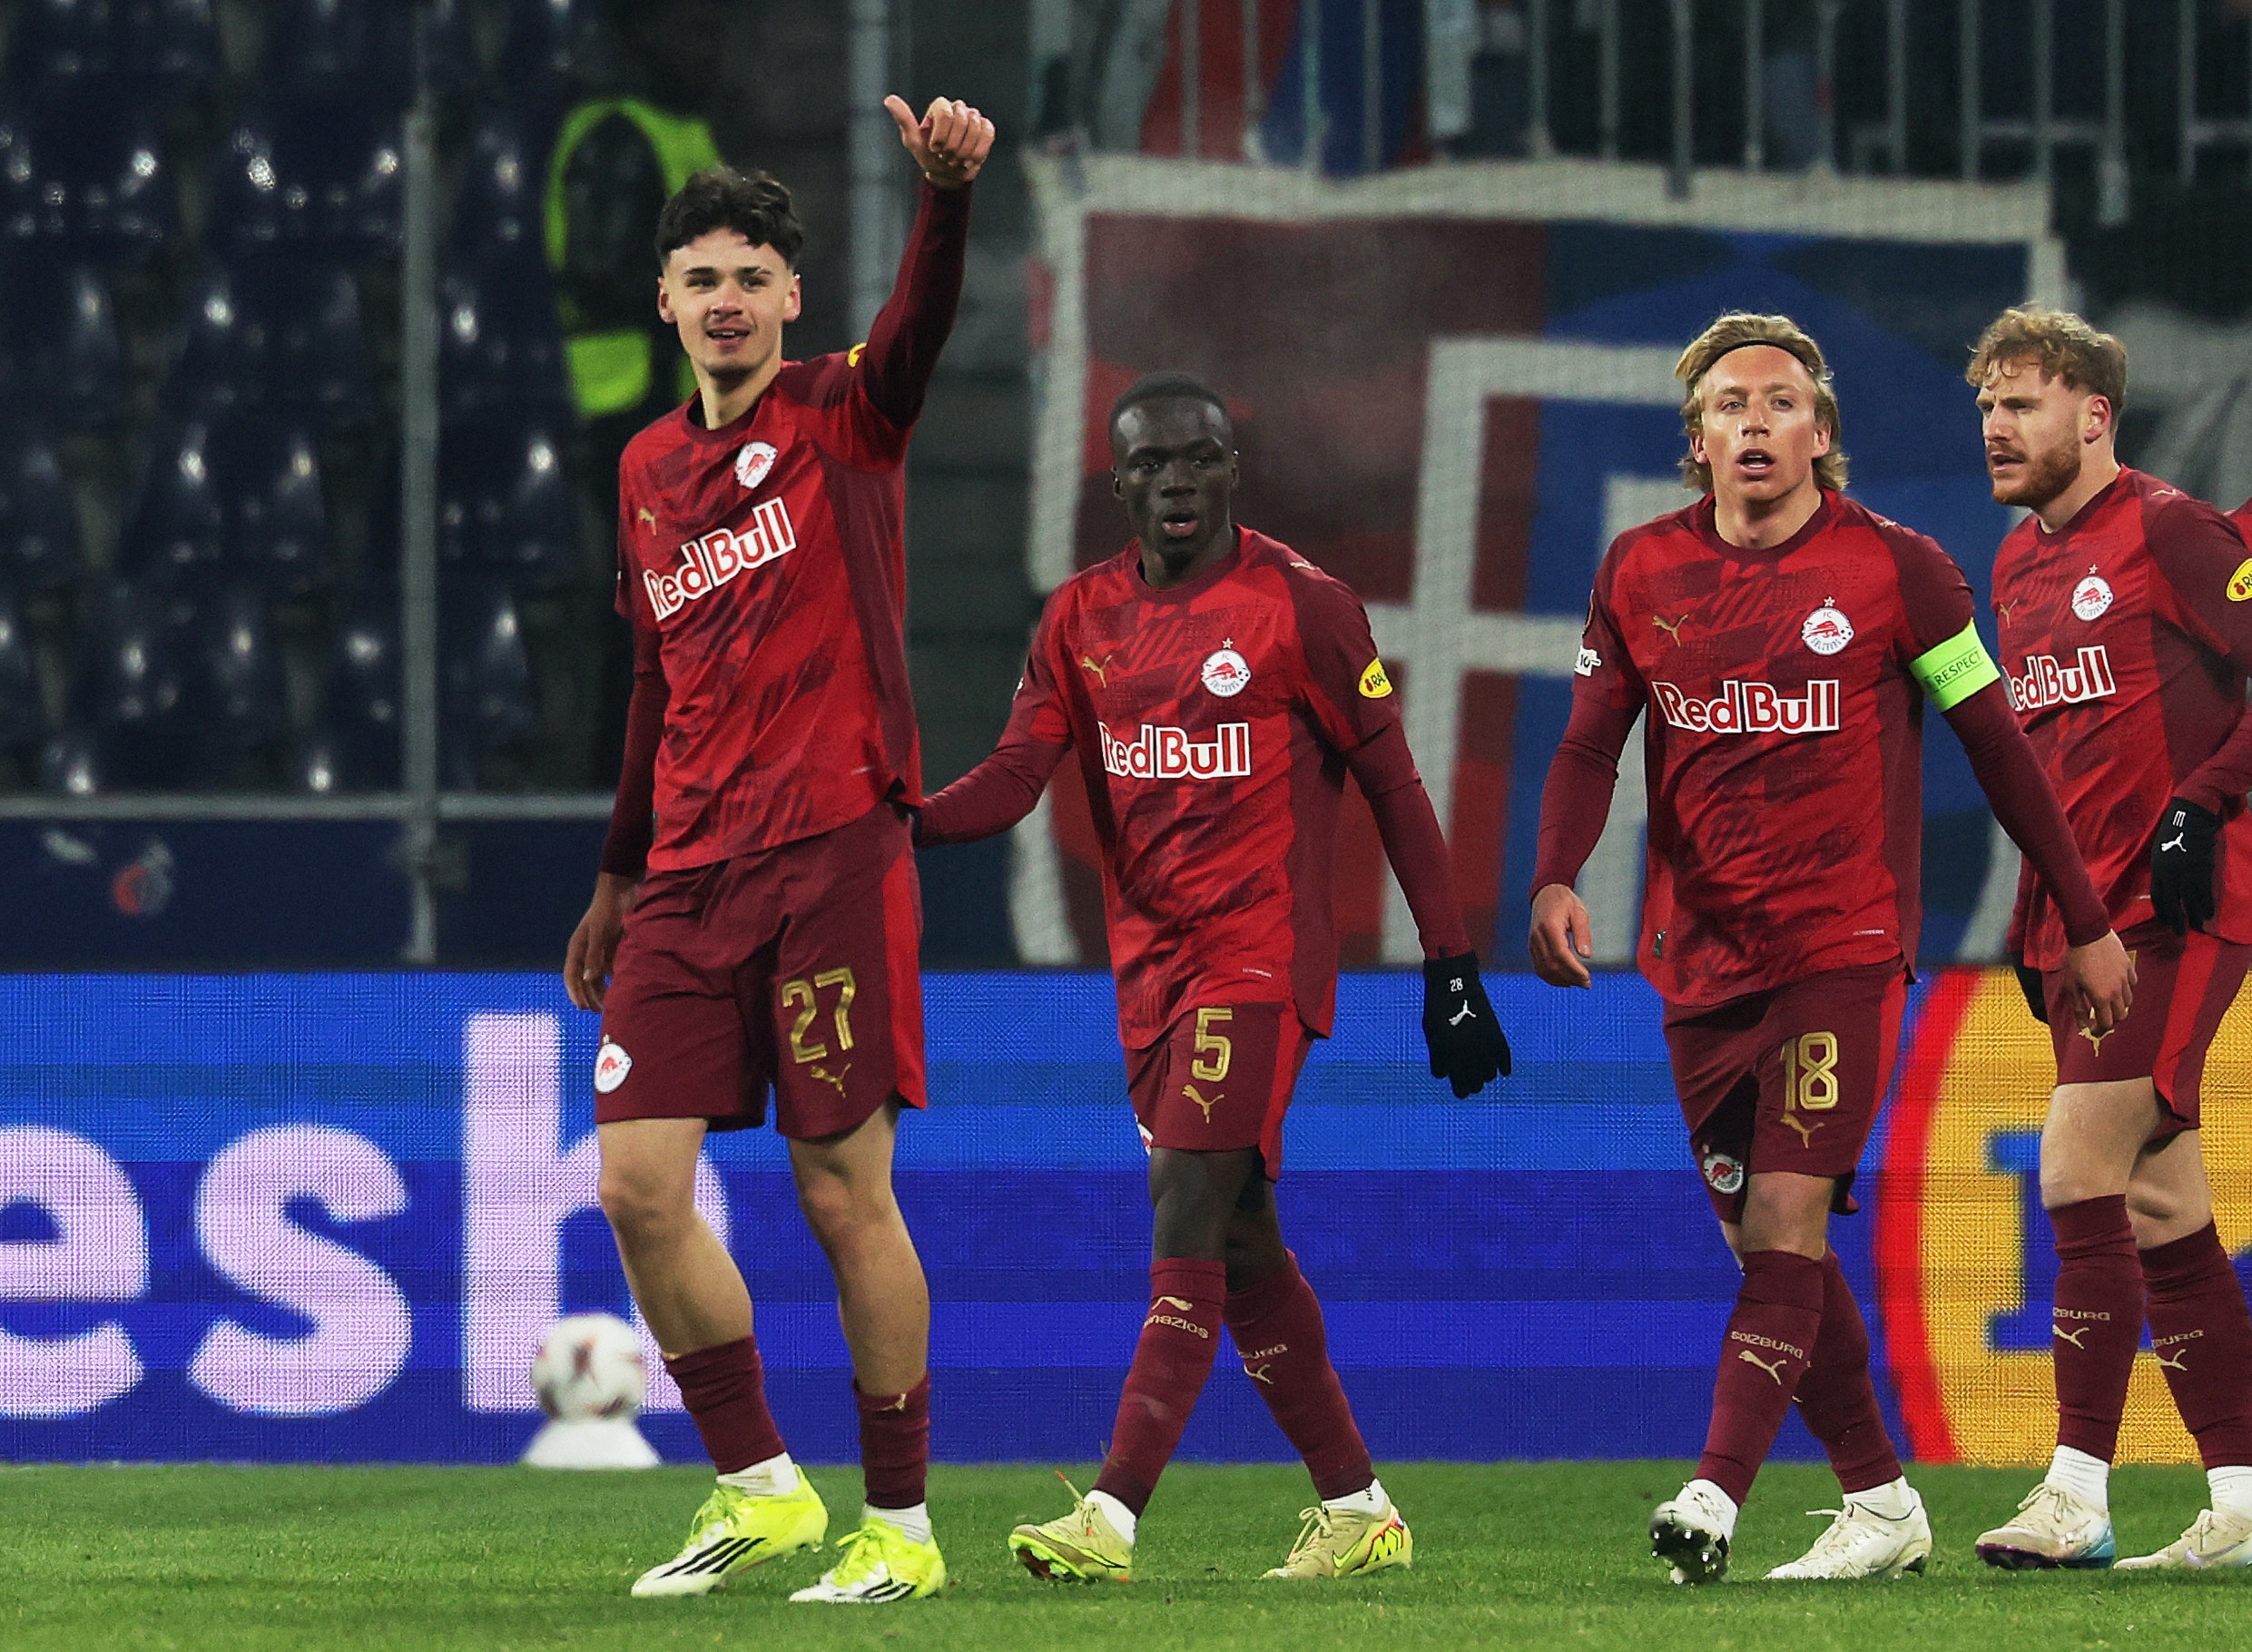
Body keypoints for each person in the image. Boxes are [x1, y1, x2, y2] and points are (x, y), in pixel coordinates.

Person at [1529, 311, 2133, 1585]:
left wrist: (2082, 918)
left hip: (1840, 950)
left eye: (1780, 402)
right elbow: (1589, 744)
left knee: (1789, 1215)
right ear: (1693, 442)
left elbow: (1996, 748)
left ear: (1820, 433)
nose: (1755, 422)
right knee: (1767, 1248)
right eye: (1729, 406)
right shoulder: (1637, 571)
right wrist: (1552, 876)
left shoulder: (1899, 570)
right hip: (1695, 964)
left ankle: (1712, 1495)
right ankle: (1879, 1502)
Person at [915, 370, 1511, 1583]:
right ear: (1118, 482)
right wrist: (899, 820)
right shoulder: (1078, 619)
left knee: (1184, 1205)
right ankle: (1359, 1509)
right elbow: (1013, 778)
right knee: (1237, 1246)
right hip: (1149, 974)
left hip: (1259, 959)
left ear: (1232, 470)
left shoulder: (1303, 608)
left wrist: (1449, 968)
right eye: (1148, 464)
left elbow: (1395, 789)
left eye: (1197, 459)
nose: (1174, 482)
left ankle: (1111, 1515)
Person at [560, 93, 996, 1605]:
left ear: (790, 298)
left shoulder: (843, 412)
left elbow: (922, 328)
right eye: (703, 276)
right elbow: (653, 681)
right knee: (633, 1186)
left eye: (753, 273)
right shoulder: (644, 474)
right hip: (685, 875)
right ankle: (761, 1488)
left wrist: (943, 202)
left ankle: (901, 1528)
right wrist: (618, 875)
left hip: (830, 852)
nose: (728, 298)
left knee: (837, 1186)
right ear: (665, 301)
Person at [1969, 307, 2252, 1573]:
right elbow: (2049, 768)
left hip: (2186, 905)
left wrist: (2202, 800)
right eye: (1985, 405)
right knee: (2154, 1201)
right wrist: (2045, 921)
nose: (1994, 425)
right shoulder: (2014, 564)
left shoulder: (2171, 529)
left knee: (2077, 1165)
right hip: (2086, 926)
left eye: (2020, 402)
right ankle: (2243, 1505)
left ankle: (2075, 1489)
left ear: (2093, 413)